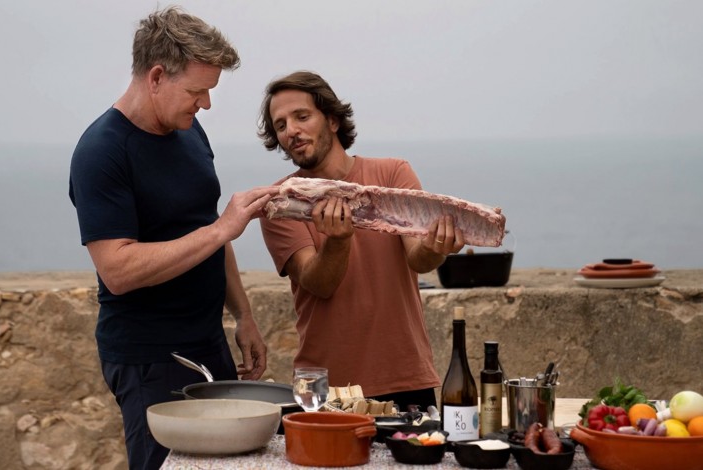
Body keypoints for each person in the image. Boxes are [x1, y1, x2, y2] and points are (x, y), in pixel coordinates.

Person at [68, 7, 277, 469]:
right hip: (148, 356)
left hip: (208, 342)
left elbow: (206, 232)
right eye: (198, 91)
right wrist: (224, 227)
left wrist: (242, 316)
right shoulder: (101, 152)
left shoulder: (188, 130)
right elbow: (118, 270)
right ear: (157, 76)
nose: (205, 105)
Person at [257, 71, 465, 411]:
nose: (290, 131)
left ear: (333, 120)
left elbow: (418, 258)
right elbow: (318, 283)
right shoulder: (281, 204)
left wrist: (435, 245)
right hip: (321, 387)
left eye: (302, 116)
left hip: (405, 375)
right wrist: (338, 242)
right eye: (280, 126)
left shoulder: (393, 174)